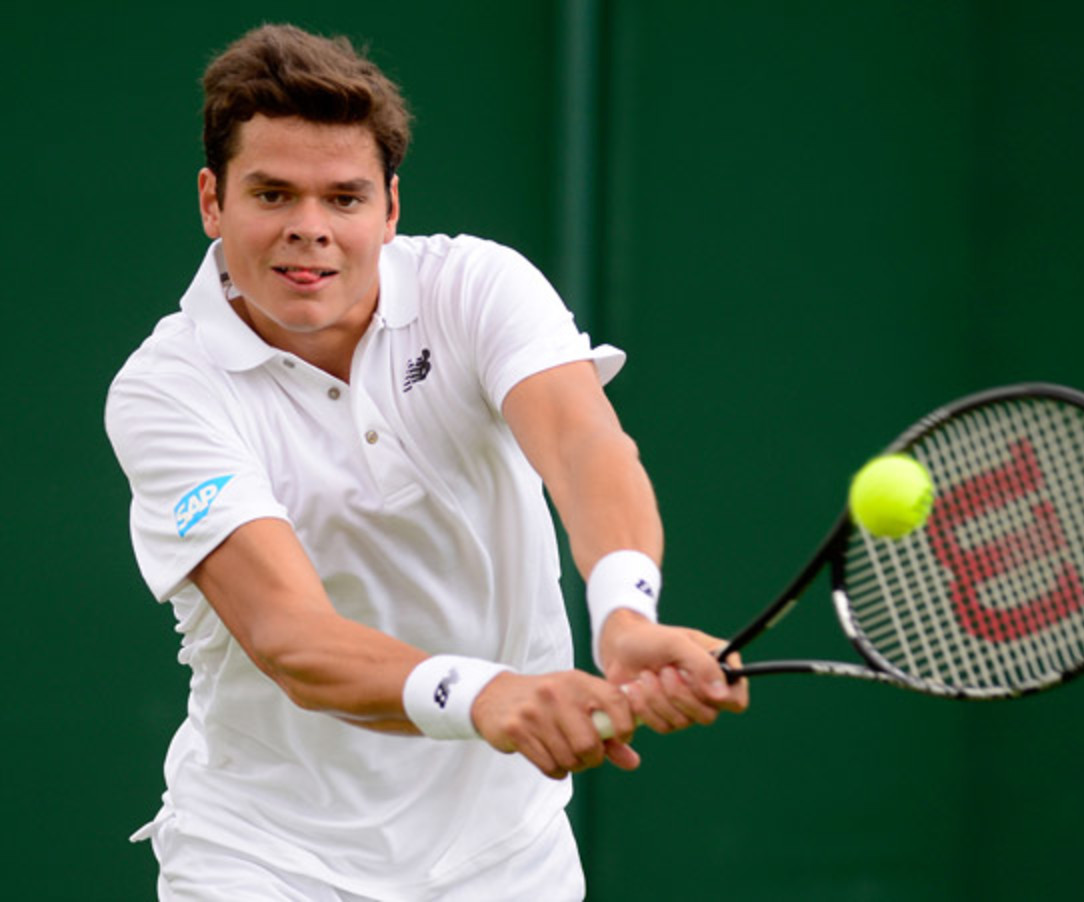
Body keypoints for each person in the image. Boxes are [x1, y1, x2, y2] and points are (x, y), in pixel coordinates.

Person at [105, 23, 747, 901]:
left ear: (390, 208)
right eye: (273, 195)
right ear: (213, 201)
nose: (309, 230)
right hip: (262, 858)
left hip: (504, 856)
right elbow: (293, 638)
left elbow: (583, 443)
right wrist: (488, 696)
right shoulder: (167, 389)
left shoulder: (477, 287)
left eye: (343, 199)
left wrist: (626, 617)